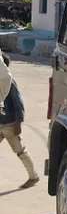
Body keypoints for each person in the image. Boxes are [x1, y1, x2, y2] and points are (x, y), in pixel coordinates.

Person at [0, 54, 39, 188]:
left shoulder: (9, 82)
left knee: (20, 151)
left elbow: (18, 103)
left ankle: (33, 176)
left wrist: (18, 122)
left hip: (9, 123)